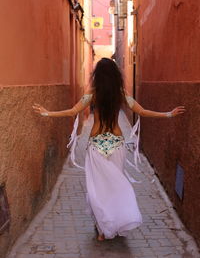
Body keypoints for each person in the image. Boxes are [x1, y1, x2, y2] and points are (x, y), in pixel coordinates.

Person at [33, 58, 185, 241]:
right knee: (115, 186)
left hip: (96, 145)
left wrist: (47, 112)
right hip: (117, 145)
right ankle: (116, 221)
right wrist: (168, 114)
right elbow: (142, 111)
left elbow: (73, 111)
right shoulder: (121, 94)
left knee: (97, 189)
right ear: (115, 75)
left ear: (97, 75)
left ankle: (102, 230)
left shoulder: (92, 94)